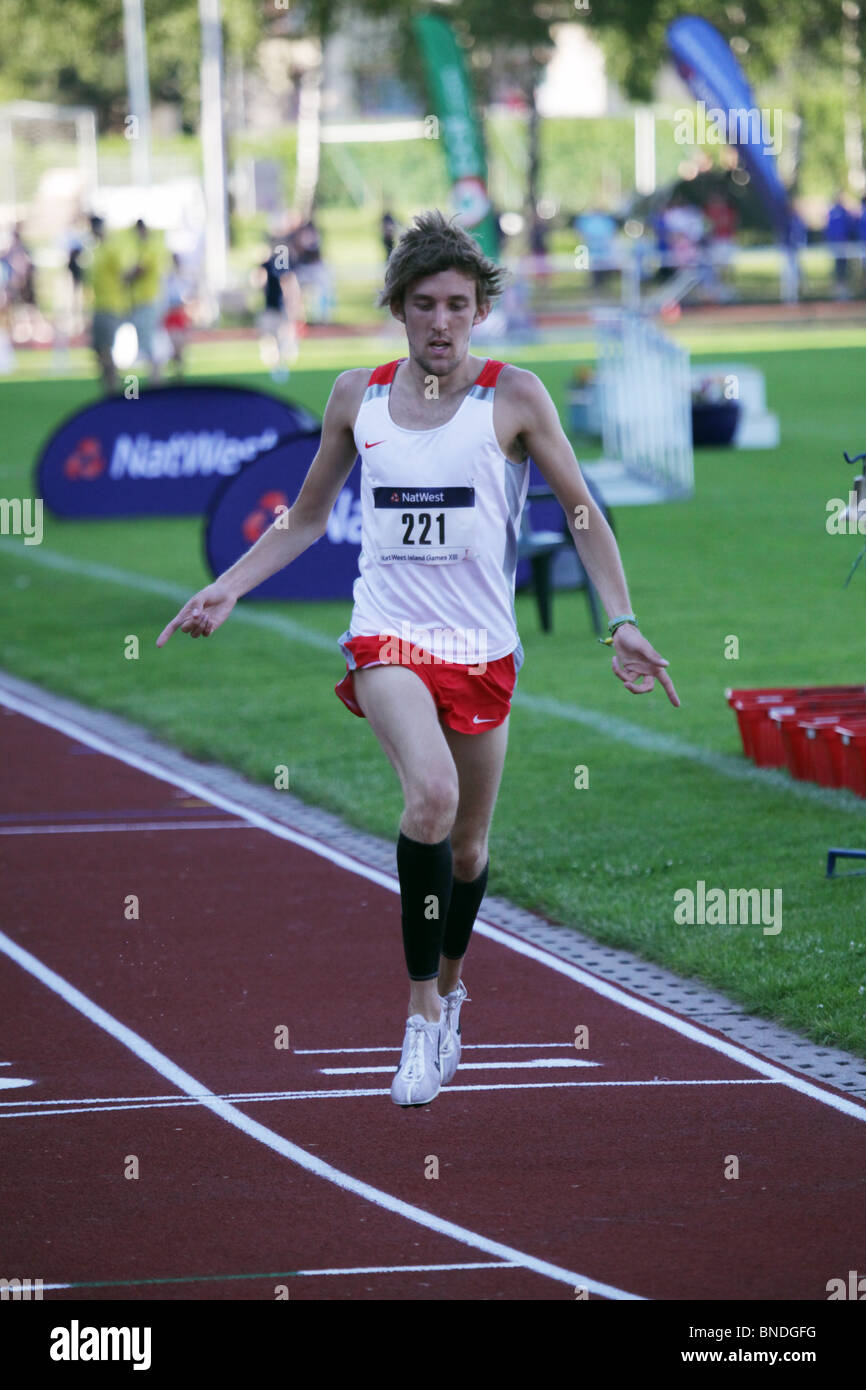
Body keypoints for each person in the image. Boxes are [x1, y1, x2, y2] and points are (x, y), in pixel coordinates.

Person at [156, 210, 679, 1108]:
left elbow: (584, 512)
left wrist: (620, 619)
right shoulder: (356, 397)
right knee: (429, 799)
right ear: (399, 308)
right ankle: (420, 1020)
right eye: (426, 304)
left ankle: (453, 986)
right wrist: (232, 584)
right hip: (387, 636)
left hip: (482, 650)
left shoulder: (514, 398)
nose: (442, 321)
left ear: (479, 314)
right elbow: (310, 515)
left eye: (460, 306)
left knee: (469, 849)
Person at [86, 215, 125, 393]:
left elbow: (124, 275)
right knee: (98, 350)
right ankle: (108, 388)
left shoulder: (112, 249)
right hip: (99, 307)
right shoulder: (96, 251)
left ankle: (115, 389)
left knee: (107, 349)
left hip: (111, 306)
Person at [126, 219, 166, 383]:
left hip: (149, 299)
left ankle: (155, 377)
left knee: (148, 338)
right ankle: (154, 377)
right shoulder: (142, 248)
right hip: (144, 299)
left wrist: (125, 277)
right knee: (147, 338)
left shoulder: (151, 248)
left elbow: (140, 269)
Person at [258, 238, 302, 381]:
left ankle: (281, 363)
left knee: (282, 335)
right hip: (270, 306)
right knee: (269, 336)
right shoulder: (266, 265)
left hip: (279, 306)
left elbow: (288, 281)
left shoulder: (280, 264)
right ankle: (275, 363)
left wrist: (291, 302)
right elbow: (258, 280)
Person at [826, 193, 854, 298]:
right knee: (838, 267)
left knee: (844, 266)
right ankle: (839, 290)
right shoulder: (834, 212)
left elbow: (849, 227)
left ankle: (844, 290)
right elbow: (830, 229)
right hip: (836, 244)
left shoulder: (843, 212)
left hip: (844, 244)